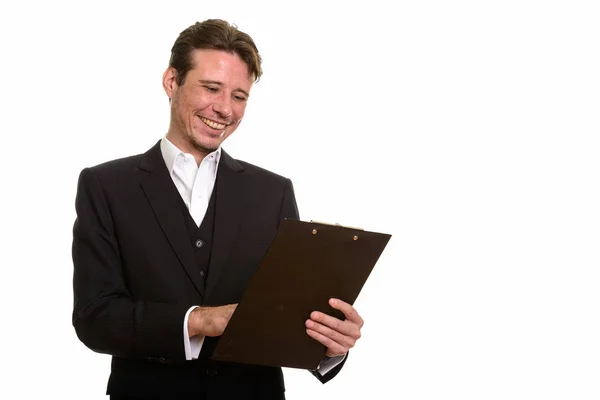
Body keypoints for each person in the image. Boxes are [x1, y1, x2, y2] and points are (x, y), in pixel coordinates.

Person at [72, 18, 365, 400]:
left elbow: (286, 315)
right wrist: (199, 320)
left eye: (239, 96)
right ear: (171, 82)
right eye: (211, 88)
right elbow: (95, 318)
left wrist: (330, 346)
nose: (224, 108)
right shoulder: (106, 186)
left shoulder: (273, 191)